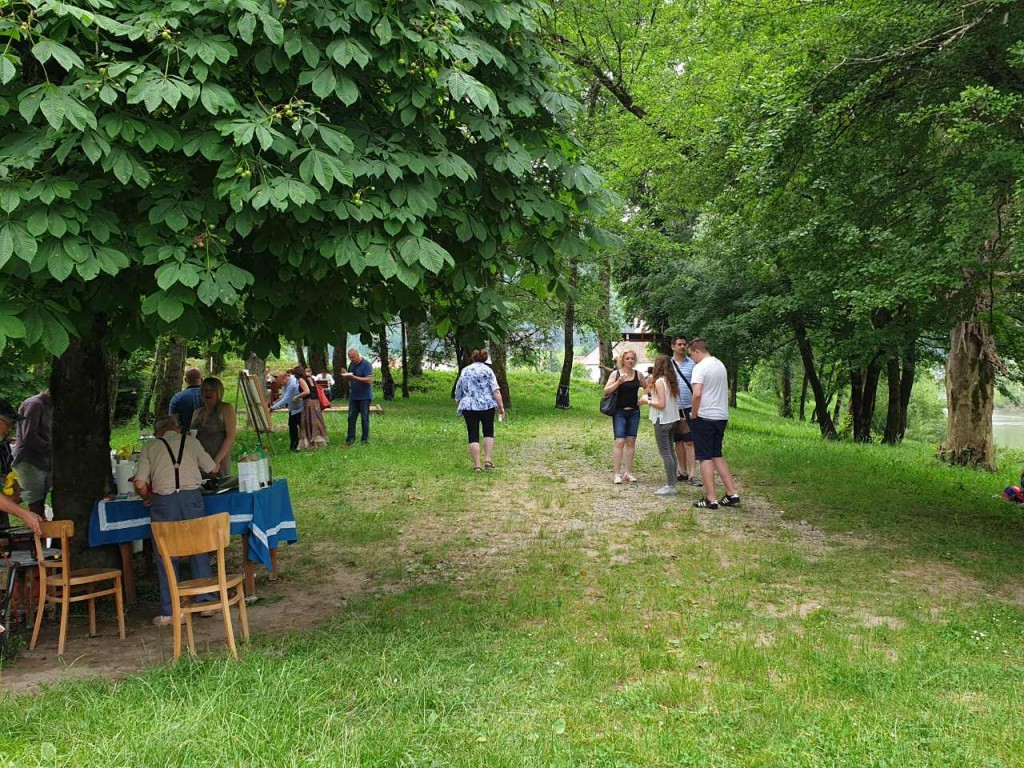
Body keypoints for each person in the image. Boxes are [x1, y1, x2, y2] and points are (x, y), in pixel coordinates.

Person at [134, 414, 218, 625]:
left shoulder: (150, 447)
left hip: (164, 503)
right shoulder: (191, 441)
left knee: (166, 554)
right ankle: (206, 602)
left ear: (158, 432)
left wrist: (146, 498)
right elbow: (213, 468)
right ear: (177, 428)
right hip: (192, 500)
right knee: (199, 547)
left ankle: (172, 610)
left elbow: (139, 484)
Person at [688, 339, 740, 509]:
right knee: (716, 454)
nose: (692, 359)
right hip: (721, 416)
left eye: (691, 355)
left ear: (697, 351)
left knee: (704, 457)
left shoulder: (700, 367)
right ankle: (731, 493)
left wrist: (693, 413)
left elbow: (697, 394)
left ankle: (711, 498)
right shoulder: (719, 365)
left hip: (704, 416)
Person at [454, 349, 507, 472]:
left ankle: (477, 466)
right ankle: (487, 460)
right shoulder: (488, 370)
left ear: (473, 358)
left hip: (469, 405)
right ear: (485, 358)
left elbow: (458, 389)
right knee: (488, 431)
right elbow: (496, 390)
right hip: (487, 405)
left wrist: (459, 401)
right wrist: (501, 407)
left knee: (473, 434)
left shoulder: (465, 370)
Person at [603, 349, 646, 484]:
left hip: (634, 412)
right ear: (622, 360)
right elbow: (606, 391)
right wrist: (618, 382)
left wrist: (642, 399)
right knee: (619, 441)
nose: (630, 361)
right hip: (619, 411)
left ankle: (628, 472)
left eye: (632, 358)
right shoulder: (616, 374)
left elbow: (648, 387)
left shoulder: (638, 375)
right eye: (627, 358)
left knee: (631, 441)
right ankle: (616, 474)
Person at [644, 355, 681, 496]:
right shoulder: (671, 381)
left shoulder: (660, 381)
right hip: (673, 419)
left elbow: (661, 404)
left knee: (665, 453)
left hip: (662, 420)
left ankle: (671, 486)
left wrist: (646, 401)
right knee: (671, 451)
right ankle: (673, 482)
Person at [12, 389, 52, 516]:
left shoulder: (49, 405)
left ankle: (41, 525)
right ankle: (36, 526)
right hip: (29, 460)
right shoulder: (35, 404)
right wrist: (51, 449)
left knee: (41, 497)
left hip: (43, 459)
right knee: (35, 502)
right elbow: (29, 436)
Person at [189, 377, 237, 477]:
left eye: (212, 390)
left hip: (218, 458)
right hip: (198, 462)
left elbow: (230, 437)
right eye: (205, 390)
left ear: (219, 392)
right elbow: (191, 437)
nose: (208, 392)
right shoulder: (197, 412)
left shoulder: (226, 408)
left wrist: (216, 460)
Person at [669, 335, 701, 486]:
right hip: (672, 408)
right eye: (679, 344)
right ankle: (682, 471)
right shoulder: (667, 365)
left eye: (684, 344)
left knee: (690, 441)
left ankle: (693, 474)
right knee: (678, 441)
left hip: (689, 406)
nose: (682, 347)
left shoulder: (693, 364)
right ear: (673, 346)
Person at [341, 348, 374, 446]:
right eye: (350, 357)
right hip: (354, 396)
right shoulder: (352, 365)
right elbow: (349, 379)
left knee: (364, 418)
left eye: (353, 357)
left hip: (365, 396)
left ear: (357, 355)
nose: (351, 359)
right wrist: (345, 375)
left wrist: (354, 377)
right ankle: (350, 439)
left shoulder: (366, 364)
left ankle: (364, 440)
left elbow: (369, 380)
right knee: (351, 418)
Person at [272, 367, 307, 451]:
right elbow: (283, 396)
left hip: (300, 408)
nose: (281, 385)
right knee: (292, 426)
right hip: (293, 409)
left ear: (285, 378)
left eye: (280, 382)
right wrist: (274, 403)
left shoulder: (292, 384)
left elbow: (286, 399)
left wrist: (273, 408)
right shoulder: (286, 383)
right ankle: (295, 445)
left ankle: (298, 446)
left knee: (299, 427)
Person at [298, 368, 329, 450]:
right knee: (317, 420)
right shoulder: (311, 378)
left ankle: (310, 440)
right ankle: (320, 440)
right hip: (316, 401)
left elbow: (307, 391)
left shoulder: (301, 379)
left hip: (308, 402)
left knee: (309, 420)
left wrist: (297, 397)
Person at [168, 368, 203, 436]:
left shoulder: (177, 397)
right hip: (207, 438)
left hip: (185, 437)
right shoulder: (210, 397)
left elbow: (172, 422)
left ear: (185, 380)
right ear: (201, 379)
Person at [0, 399, 21, 502]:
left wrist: (17, 490)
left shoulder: (3, 444)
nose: (9, 429)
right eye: (9, 424)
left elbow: (8, 470)